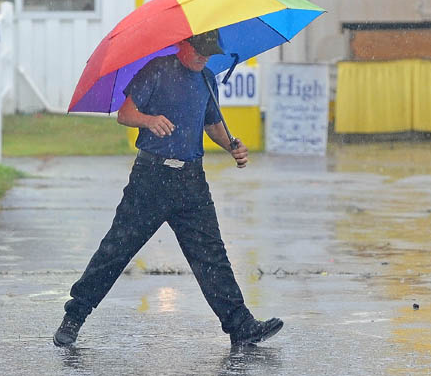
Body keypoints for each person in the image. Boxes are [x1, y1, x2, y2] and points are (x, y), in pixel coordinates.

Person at [53, 29, 283, 347]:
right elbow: (125, 114)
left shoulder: (206, 79)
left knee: (211, 256)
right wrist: (148, 120)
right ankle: (74, 317)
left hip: (192, 182)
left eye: (209, 52)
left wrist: (231, 145)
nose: (204, 56)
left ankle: (240, 326)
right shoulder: (157, 70)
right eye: (199, 49)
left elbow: (212, 123)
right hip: (151, 179)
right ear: (182, 44)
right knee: (116, 250)